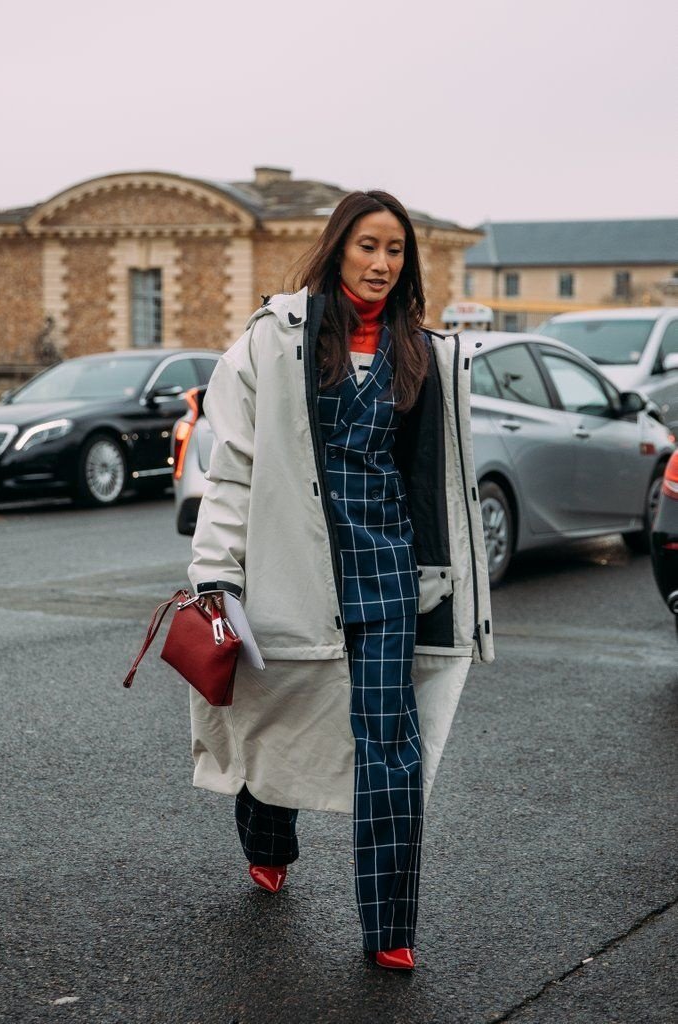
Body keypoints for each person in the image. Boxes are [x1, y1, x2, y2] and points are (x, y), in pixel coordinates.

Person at [187, 190, 494, 970]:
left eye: (395, 250)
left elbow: (437, 476)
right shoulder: (273, 342)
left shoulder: (424, 351)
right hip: (293, 565)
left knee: (389, 745)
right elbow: (233, 470)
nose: (381, 264)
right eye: (367, 246)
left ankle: (390, 927)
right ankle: (266, 833)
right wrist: (216, 573)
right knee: (282, 715)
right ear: (337, 249)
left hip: (387, 572)